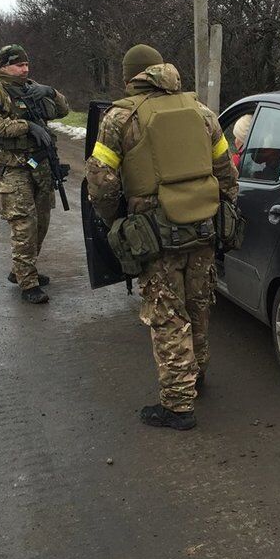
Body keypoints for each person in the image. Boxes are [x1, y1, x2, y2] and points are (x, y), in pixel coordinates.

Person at [85, 44, 238, 431]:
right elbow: (226, 169)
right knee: (199, 305)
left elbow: (101, 183)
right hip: (203, 227)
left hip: (154, 234)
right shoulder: (200, 110)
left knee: (167, 315)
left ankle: (178, 404)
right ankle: (196, 377)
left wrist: (116, 220)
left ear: (129, 78)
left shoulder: (119, 118)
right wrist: (223, 208)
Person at [0, 44, 69, 304]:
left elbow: (62, 111)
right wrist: (26, 126)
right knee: (24, 224)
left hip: (39, 165)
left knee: (42, 221)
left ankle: (22, 269)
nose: (24, 69)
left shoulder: (32, 88)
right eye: (19, 65)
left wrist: (50, 91)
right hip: (13, 167)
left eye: (27, 64)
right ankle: (28, 281)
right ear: (4, 66)